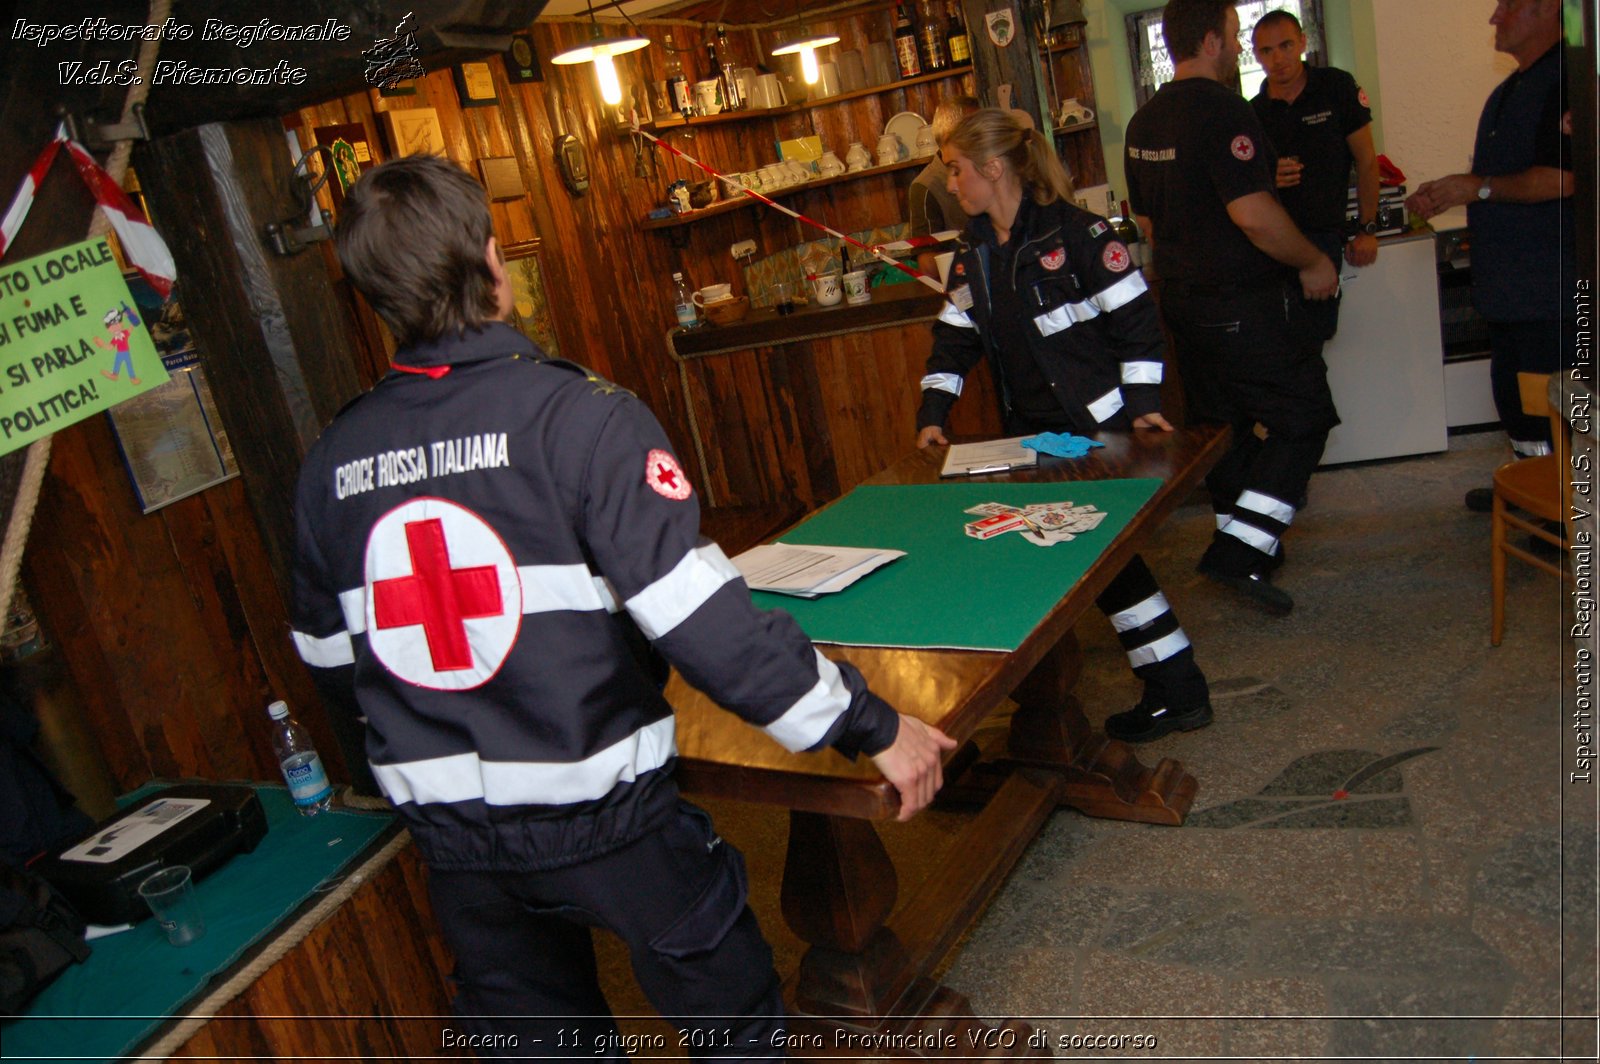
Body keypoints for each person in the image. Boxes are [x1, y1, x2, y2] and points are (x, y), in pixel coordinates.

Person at [287, 155, 954, 1058]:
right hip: (612, 827)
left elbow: (333, 668)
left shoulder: (329, 463)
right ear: (492, 261)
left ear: (378, 296)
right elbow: (706, 625)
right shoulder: (583, 419)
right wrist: (871, 724)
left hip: (454, 848)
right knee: (736, 1028)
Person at [915, 108, 1212, 744]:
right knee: (1084, 561)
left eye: (957, 170)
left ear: (992, 168)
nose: (953, 184)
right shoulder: (973, 253)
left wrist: (1143, 402)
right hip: (1033, 438)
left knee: (1098, 563)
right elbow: (954, 337)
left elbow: (1136, 321)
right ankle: (1162, 686)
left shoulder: (1079, 235)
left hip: (1095, 432)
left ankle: (1169, 687)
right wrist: (934, 411)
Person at [1124, 0, 1340, 616]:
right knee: (1304, 415)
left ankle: (1249, 546)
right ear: (1216, 41)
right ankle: (1240, 549)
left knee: (1221, 429)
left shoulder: (1144, 124)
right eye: (1238, 36)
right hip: (1243, 299)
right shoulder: (1224, 111)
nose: (1241, 48)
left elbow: (1148, 219)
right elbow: (1253, 216)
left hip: (1184, 303)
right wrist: (1310, 261)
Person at [1405, 0, 1574, 510]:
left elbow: (1563, 178)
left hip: (1551, 289)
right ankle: (1531, 491)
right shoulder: (1508, 91)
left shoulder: (1571, 79)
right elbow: (1493, 179)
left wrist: (1474, 189)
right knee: (1515, 404)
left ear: (1545, 10)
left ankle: (1567, 512)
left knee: (1556, 407)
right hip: (1508, 292)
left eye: (1506, 6)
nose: (1493, 17)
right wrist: (1448, 191)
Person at [1250, 7, 1381, 343]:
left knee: (1314, 342)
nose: (1278, 58)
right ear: (1256, 56)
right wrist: (1268, 177)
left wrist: (1367, 228)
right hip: (1272, 247)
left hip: (1324, 238)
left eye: (1286, 46)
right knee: (1280, 349)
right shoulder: (1252, 112)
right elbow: (1244, 190)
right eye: (1267, 50)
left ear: (1303, 42)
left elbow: (1366, 160)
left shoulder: (1335, 86)